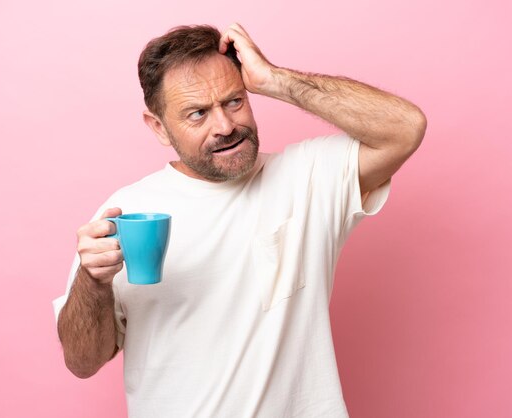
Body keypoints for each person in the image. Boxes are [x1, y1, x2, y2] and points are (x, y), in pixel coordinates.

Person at [53, 23, 426, 417]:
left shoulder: (306, 178)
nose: (225, 126)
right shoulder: (125, 213)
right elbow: (82, 362)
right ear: (159, 127)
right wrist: (93, 283)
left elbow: (405, 128)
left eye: (233, 101)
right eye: (198, 113)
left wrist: (276, 80)